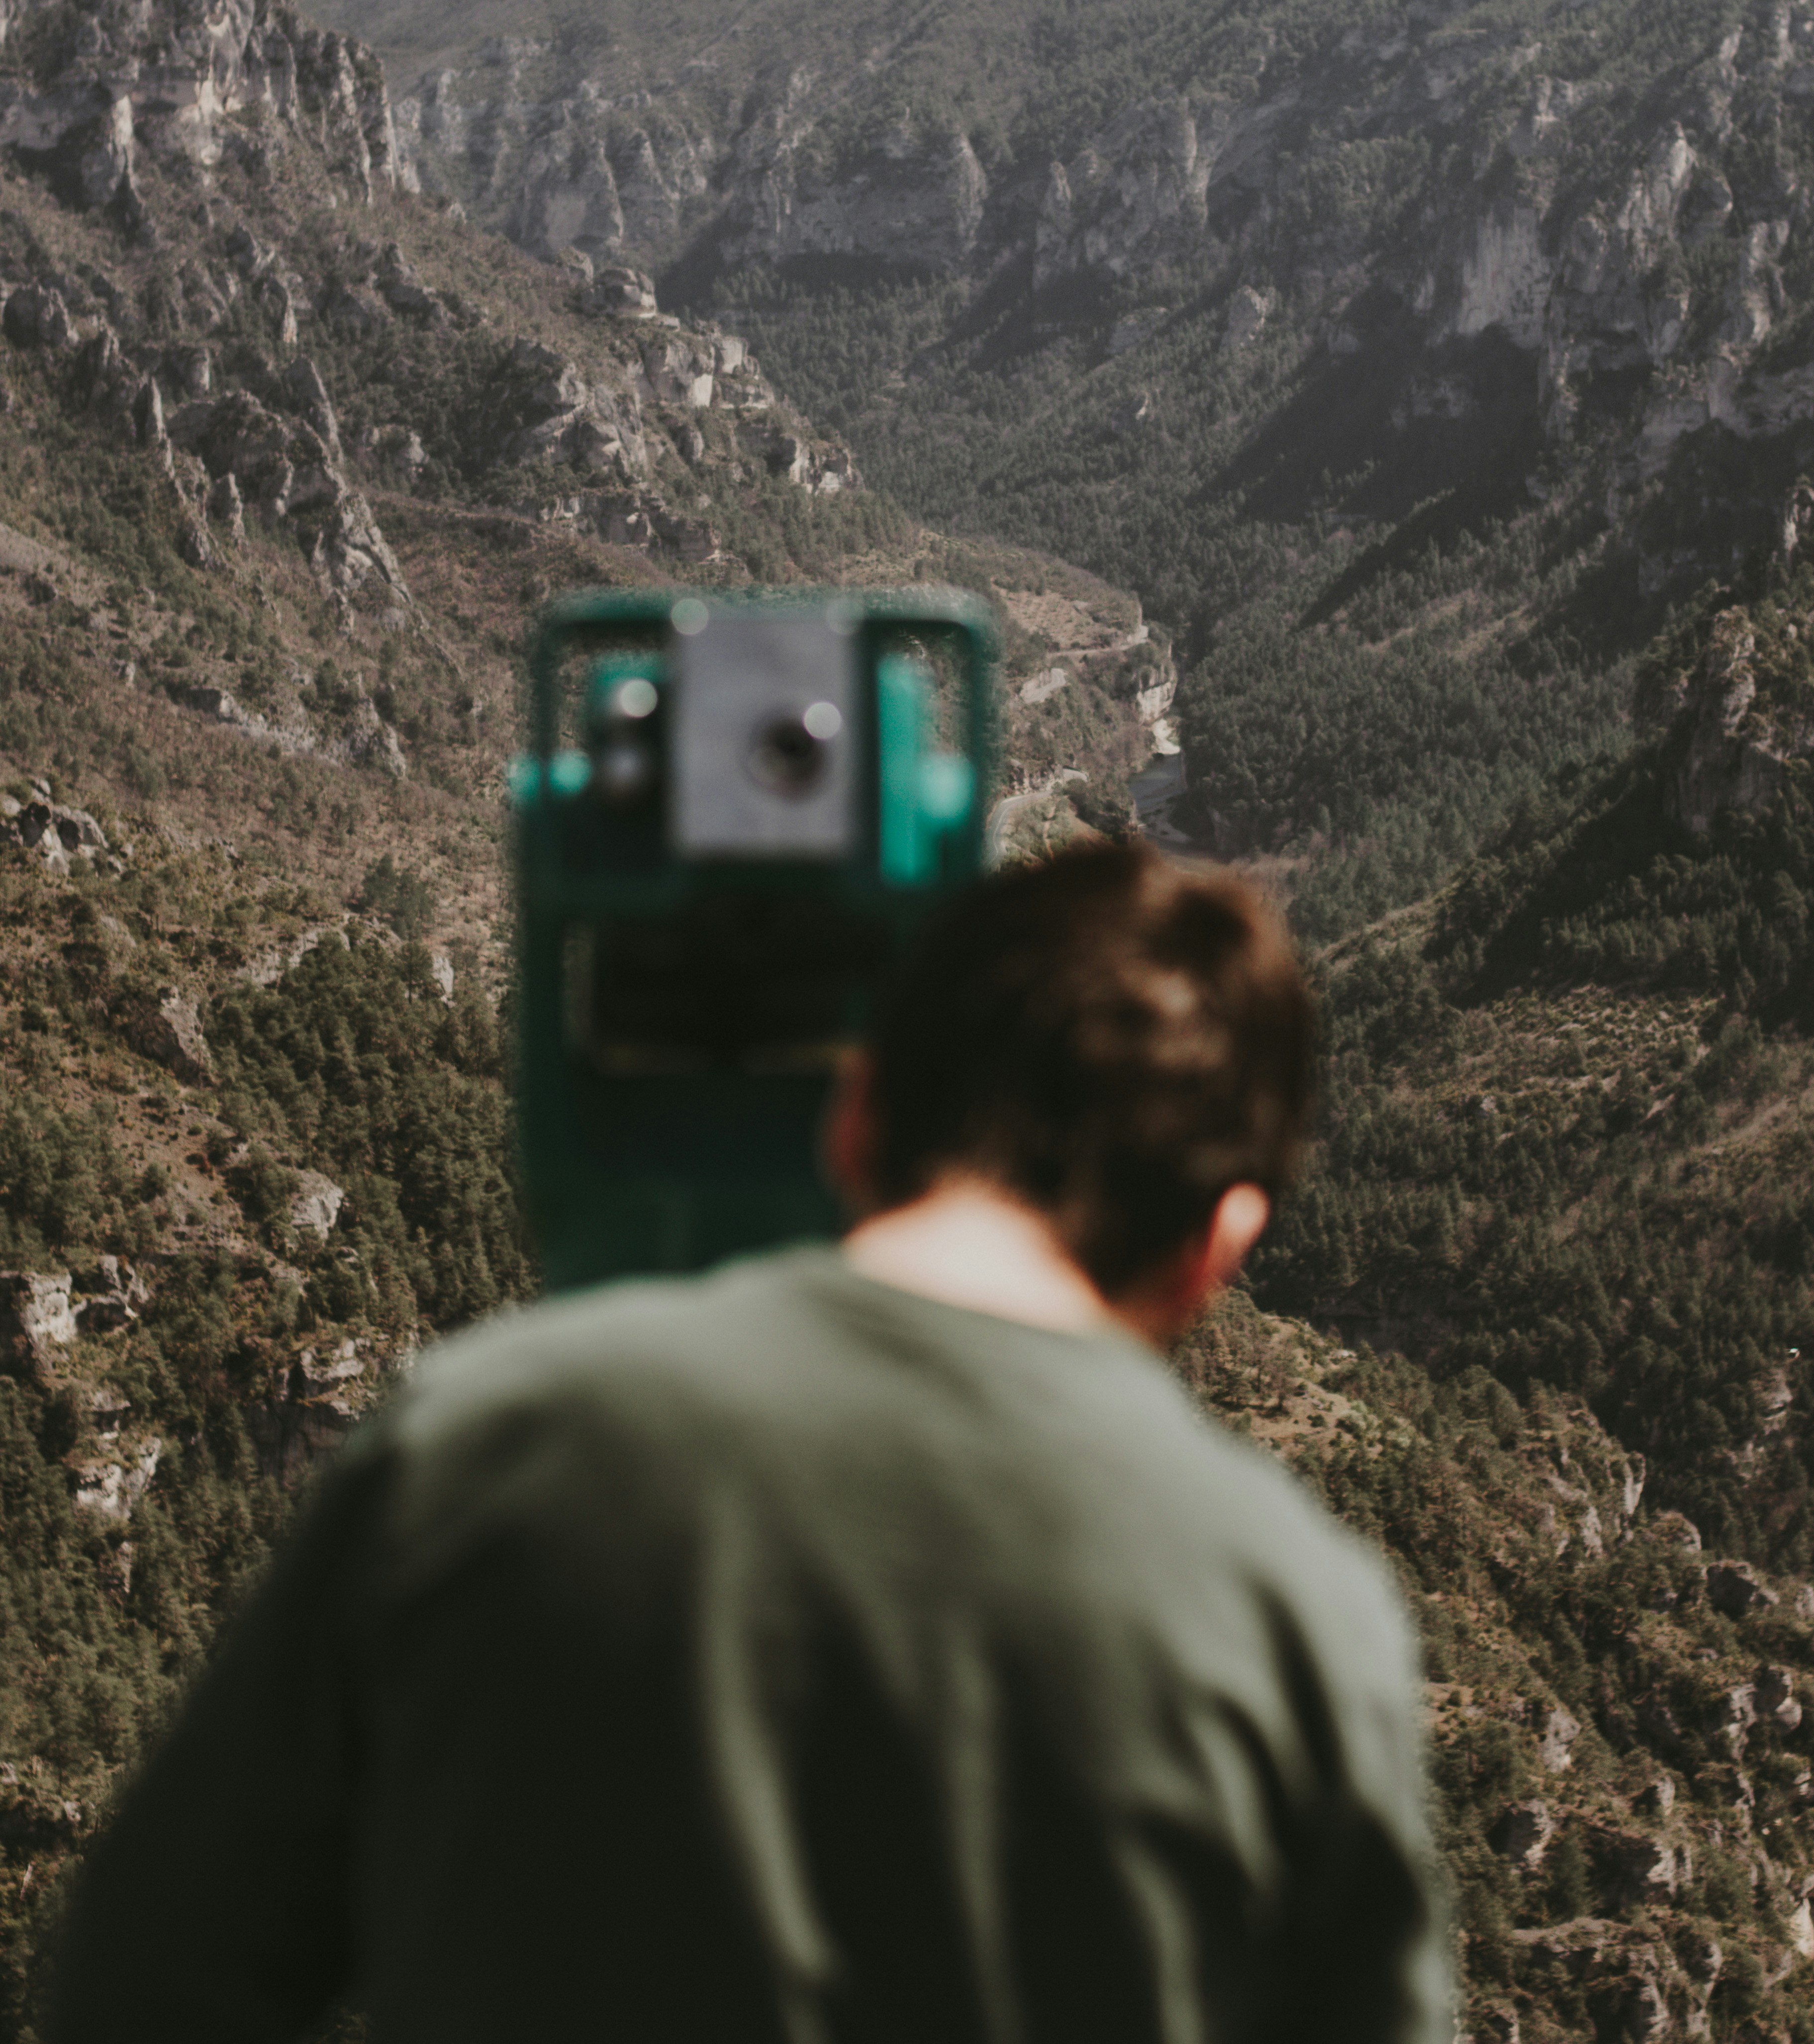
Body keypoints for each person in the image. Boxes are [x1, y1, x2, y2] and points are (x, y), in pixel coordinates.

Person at [51, 840, 1451, 2044]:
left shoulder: (475, 1447)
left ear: (856, 1120)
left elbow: (136, 1994)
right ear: (1223, 1242)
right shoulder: (1302, 1622)